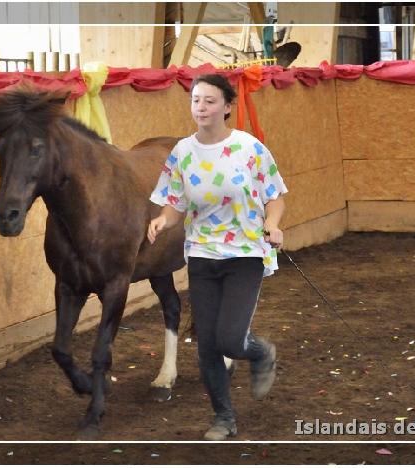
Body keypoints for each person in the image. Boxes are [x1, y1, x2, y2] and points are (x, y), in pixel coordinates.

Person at [147, 73, 288, 441]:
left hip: (245, 254)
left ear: (227, 107)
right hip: (202, 255)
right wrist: (163, 220)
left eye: (209, 101)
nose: (201, 107)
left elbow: (275, 195)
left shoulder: (250, 149)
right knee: (207, 344)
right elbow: (175, 203)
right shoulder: (182, 152)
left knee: (229, 339)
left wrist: (273, 224)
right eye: (196, 100)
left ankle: (260, 352)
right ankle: (224, 418)